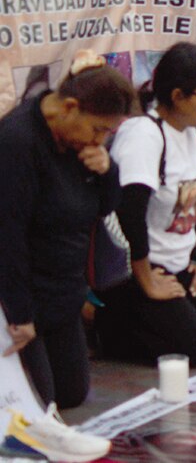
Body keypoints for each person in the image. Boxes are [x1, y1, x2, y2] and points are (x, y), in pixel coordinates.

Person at [97, 43, 196, 369]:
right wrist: (147, 278)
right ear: (177, 96)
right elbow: (129, 216)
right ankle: (105, 325)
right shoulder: (144, 136)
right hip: (141, 268)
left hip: (180, 263)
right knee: (195, 349)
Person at [0, 51, 133, 409]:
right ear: (70, 107)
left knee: (71, 394)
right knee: (38, 403)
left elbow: (103, 209)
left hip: (63, 292)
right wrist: (20, 315)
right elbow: (7, 237)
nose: (99, 140)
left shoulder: (80, 144)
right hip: (24, 292)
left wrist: (108, 172)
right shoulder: (17, 143)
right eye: (98, 129)